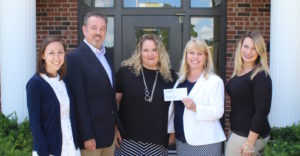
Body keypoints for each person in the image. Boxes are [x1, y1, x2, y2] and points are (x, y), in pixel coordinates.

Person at [64, 11, 120, 156]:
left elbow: (109, 95)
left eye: (102, 29)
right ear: (84, 29)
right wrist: (86, 135)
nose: (98, 32)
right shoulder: (74, 59)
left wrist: (116, 126)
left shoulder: (107, 55)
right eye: (94, 28)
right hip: (90, 139)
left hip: (108, 135)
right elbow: (78, 101)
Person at [114, 34, 176, 156]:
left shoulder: (171, 77)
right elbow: (114, 103)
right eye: (146, 50)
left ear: (160, 52)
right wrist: (115, 128)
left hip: (158, 141)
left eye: (154, 50)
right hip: (127, 140)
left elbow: (174, 109)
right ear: (139, 52)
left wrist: (173, 133)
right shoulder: (125, 73)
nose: (150, 54)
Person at [168, 38, 226, 156]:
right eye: (192, 53)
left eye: (199, 54)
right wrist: (172, 132)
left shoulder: (214, 81)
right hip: (182, 141)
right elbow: (176, 110)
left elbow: (218, 111)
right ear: (186, 55)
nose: (195, 57)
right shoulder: (180, 80)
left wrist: (196, 107)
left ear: (205, 57)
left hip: (205, 142)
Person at [26, 36, 80, 156]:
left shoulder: (63, 82)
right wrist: (43, 151)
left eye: (60, 52)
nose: (57, 57)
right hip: (49, 151)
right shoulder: (35, 83)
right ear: (43, 55)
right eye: (51, 53)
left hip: (71, 147)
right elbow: (34, 123)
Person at [225, 31, 272, 156]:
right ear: (240, 47)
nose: (248, 52)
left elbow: (262, 111)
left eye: (254, 48)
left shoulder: (261, 75)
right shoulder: (240, 71)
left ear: (260, 51)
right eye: (246, 46)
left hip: (249, 135)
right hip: (237, 130)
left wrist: (250, 143)